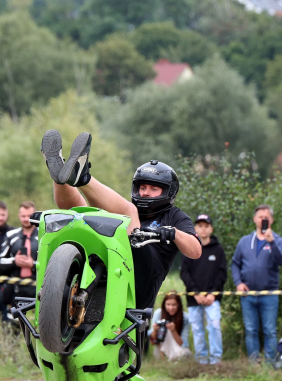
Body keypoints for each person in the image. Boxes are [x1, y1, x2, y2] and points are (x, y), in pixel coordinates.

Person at [40, 130, 201, 311]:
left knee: (127, 212)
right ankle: (60, 177)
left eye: (153, 189)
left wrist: (174, 232)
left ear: (168, 192)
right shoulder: (126, 210)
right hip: (107, 269)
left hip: (140, 286)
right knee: (85, 214)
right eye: (142, 187)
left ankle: (83, 178)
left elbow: (195, 250)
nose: (145, 192)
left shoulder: (174, 216)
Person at [231, 205, 282, 363]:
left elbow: (281, 260)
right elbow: (235, 263)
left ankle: (270, 364)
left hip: (269, 294)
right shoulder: (244, 241)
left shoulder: (277, 240)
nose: (263, 219)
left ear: (271, 220)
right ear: (255, 219)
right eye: (260, 216)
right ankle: (254, 363)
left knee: (270, 330)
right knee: (250, 330)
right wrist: (238, 283)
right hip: (248, 294)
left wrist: (272, 242)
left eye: (266, 217)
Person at [180, 214, 226, 364]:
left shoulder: (218, 249)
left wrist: (212, 294)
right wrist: (196, 293)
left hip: (213, 299)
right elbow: (184, 273)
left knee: (214, 326)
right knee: (197, 330)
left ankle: (216, 360)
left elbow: (222, 274)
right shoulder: (189, 248)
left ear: (211, 229)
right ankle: (201, 360)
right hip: (194, 298)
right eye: (200, 226)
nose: (203, 229)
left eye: (206, 226)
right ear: (195, 228)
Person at [0, 202, 39, 315]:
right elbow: (0, 261)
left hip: (38, 288)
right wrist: (15, 261)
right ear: (19, 216)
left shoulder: (44, 235)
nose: (26, 219)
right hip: (15, 288)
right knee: (14, 323)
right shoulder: (11, 235)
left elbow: (52, 263)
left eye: (29, 216)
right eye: (23, 216)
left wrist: (33, 264)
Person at [148, 292, 191, 361]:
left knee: (186, 353)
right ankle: (163, 359)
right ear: (164, 305)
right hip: (160, 347)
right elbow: (152, 342)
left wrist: (173, 331)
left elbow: (183, 343)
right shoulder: (158, 314)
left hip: (177, 346)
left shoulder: (185, 317)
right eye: (168, 304)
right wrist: (155, 330)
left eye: (174, 305)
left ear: (179, 305)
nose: (171, 308)